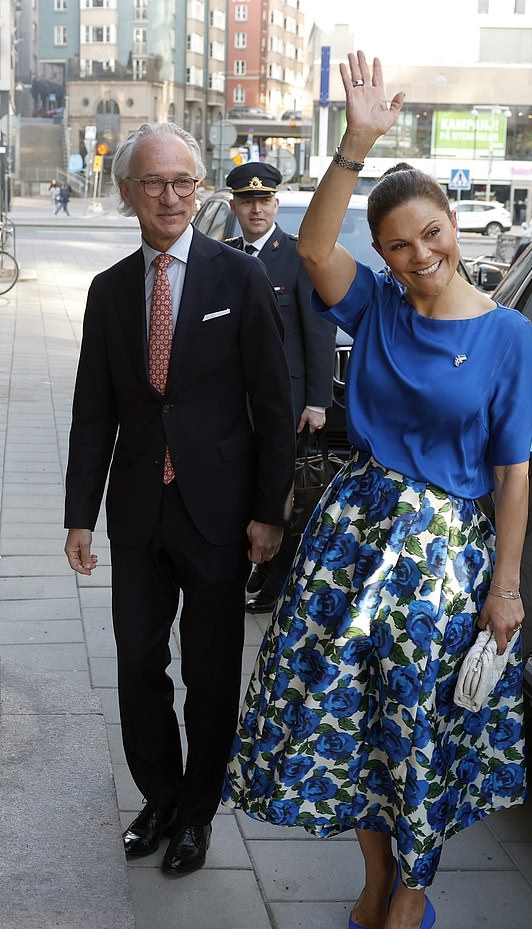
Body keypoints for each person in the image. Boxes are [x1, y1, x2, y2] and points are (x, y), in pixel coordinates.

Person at [223, 52, 532, 929]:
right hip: (348, 550)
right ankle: (375, 882)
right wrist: (355, 144)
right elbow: (313, 249)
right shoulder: (379, 309)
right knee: (352, 729)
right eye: (398, 244)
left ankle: (410, 905)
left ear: (454, 225)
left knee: (420, 739)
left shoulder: (507, 337)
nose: (419, 256)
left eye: (431, 235)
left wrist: (507, 588)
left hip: (443, 561)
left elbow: (513, 474)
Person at [63, 122, 296, 876]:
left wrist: (270, 512)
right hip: (137, 508)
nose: (171, 197)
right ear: (128, 191)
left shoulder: (239, 279)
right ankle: (158, 798)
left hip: (220, 509)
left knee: (211, 667)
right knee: (136, 662)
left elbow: (272, 398)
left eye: (184, 182)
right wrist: (78, 514)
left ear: (200, 190)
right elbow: (92, 412)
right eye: (156, 183)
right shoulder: (107, 292)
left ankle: (198, 813)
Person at [224, 161, 337, 615]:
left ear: (276, 203)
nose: (257, 209)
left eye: (265, 200)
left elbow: (319, 330)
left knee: (281, 492)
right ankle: (249, 562)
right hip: (232, 402)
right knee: (241, 488)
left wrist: (317, 401)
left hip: (286, 402)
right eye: (248, 202)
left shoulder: (296, 256)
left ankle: (274, 584)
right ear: (234, 206)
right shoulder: (225, 255)